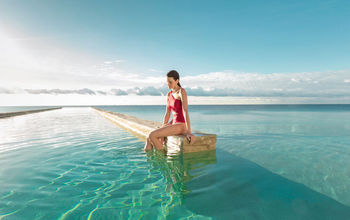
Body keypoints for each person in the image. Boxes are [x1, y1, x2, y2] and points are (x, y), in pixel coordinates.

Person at [144, 70, 195, 151]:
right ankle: (147, 160)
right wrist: (163, 128)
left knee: (152, 135)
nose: (168, 84)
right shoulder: (169, 94)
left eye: (170, 82)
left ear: (177, 81)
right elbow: (167, 113)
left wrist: (189, 132)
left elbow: (185, 111)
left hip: (181, 125)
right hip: (173, 124)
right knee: (148, 138)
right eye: (167, 82)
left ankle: (161, 159)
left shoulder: (181, 92)